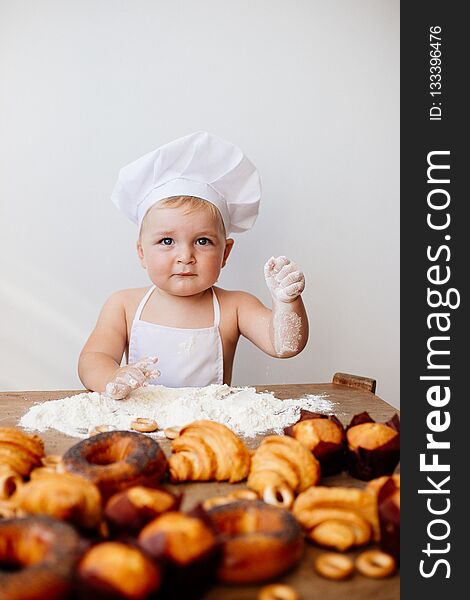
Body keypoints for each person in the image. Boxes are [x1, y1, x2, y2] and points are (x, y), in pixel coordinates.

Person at [78, 131, 308, 399]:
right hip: (142, 428)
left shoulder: (235, 307)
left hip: (208, 428)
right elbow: (93, 358)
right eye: (166, 241)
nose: (185, 255)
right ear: (142, 252)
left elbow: (283, 345)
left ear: (225, 252)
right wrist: (112, 377)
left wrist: (287, 302)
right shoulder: (123, 305)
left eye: (202, 241)